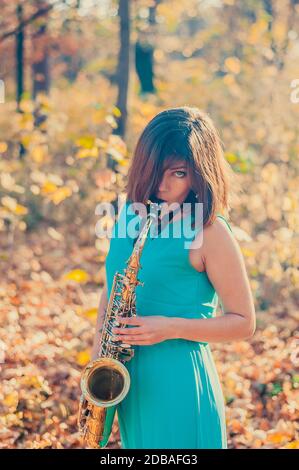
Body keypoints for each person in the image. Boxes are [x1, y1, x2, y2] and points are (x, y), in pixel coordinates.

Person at [91, 106, 256, 449]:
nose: (162, 184)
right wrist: (98, 365)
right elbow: (111, 292)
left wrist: (169, 327)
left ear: (200, 173)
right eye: (155, 170)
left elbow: (244, 322)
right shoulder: (128, 215)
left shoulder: (210, 231)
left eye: (178, 173)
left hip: (179, 386)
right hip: (128, 386)